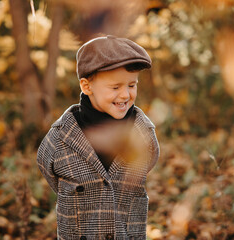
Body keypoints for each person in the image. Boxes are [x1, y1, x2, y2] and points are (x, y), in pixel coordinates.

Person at [37, 35, 160, 239]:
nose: (125, 95)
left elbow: (149, 161)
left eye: (132, 85)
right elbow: (47, 168)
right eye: (115, 87)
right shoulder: (61, 137)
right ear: (87, 86)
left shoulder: (144, 134)